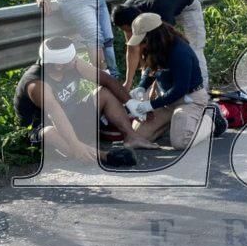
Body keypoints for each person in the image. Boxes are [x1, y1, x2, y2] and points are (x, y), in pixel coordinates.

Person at [14, 36, 159, 164]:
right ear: (58, 65)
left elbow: (107, 80)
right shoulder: (37, 84)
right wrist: (75, 144)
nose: (76, 59)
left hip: (72, 117)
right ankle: (100, 156)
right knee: (49, 132)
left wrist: (132, 104)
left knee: (104, 92)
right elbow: (56, 115)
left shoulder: (72, 64)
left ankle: (132, 137)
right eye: (72, 58)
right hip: (47, 127)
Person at [124, 13, 209, 150]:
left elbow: (180, 89)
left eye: (143, 41)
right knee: (138, 135)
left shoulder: (180, 52)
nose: (141, 45)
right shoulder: (156, 47)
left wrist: (150, 105)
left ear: (153, 36)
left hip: (189, 99)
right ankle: (177, 123)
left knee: (182, 142)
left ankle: (210, 118)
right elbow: (151, 70)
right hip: (167, 101)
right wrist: (141, 87)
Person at [113, 0, 209, 90]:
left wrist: (153, 86)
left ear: (136, 21)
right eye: (127, 30)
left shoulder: (161, 12)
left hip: (187, 6)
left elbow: (163, 50)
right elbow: (133, 48)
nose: (129, 32)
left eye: (131, 30)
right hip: (163, 2)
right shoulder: (124, 13)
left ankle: (202, 90)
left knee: (194, 50)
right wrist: (128, 82)